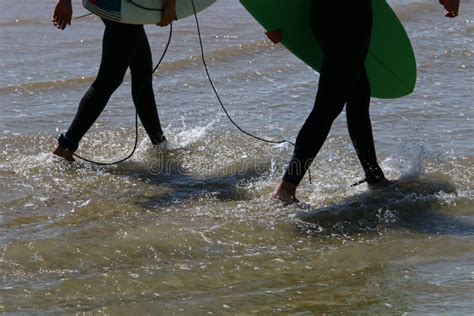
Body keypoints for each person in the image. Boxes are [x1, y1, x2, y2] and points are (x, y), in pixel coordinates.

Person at [270, 0, 461, 203]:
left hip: (325, 15)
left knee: (358, 96)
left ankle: (374, 177)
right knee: (328, 107)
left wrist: (278, 20)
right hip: (349, 18)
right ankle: (286, 189)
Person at [51, 0, 177, 161]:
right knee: (110, 79)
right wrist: (170, 5)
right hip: (123, 7)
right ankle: (64, 148)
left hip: (107, 3)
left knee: (141, 73)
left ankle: (160, 143)